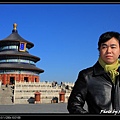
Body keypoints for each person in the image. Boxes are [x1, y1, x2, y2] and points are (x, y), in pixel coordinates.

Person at [67, 31, 120, 115]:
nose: (109, 51)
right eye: (104, 47)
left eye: (113, 47)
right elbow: (74, 105)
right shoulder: (87, 76)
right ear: (99, 50)